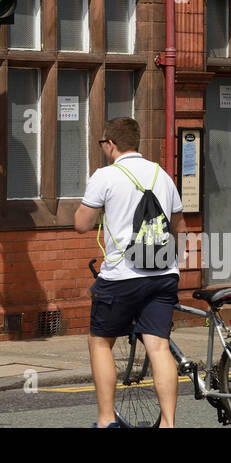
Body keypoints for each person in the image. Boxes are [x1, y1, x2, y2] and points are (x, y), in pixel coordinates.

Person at [73, 117, 184, 428]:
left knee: (100, 341)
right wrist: (174, 265)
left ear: (111, 144)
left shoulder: (105, 176)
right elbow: (179, 226)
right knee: (158, 345)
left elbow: (81, 224)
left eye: (103, 143)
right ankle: (168, 425)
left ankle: (107, 419)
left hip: (122, 276)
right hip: (163, 273)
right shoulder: (162, 174)